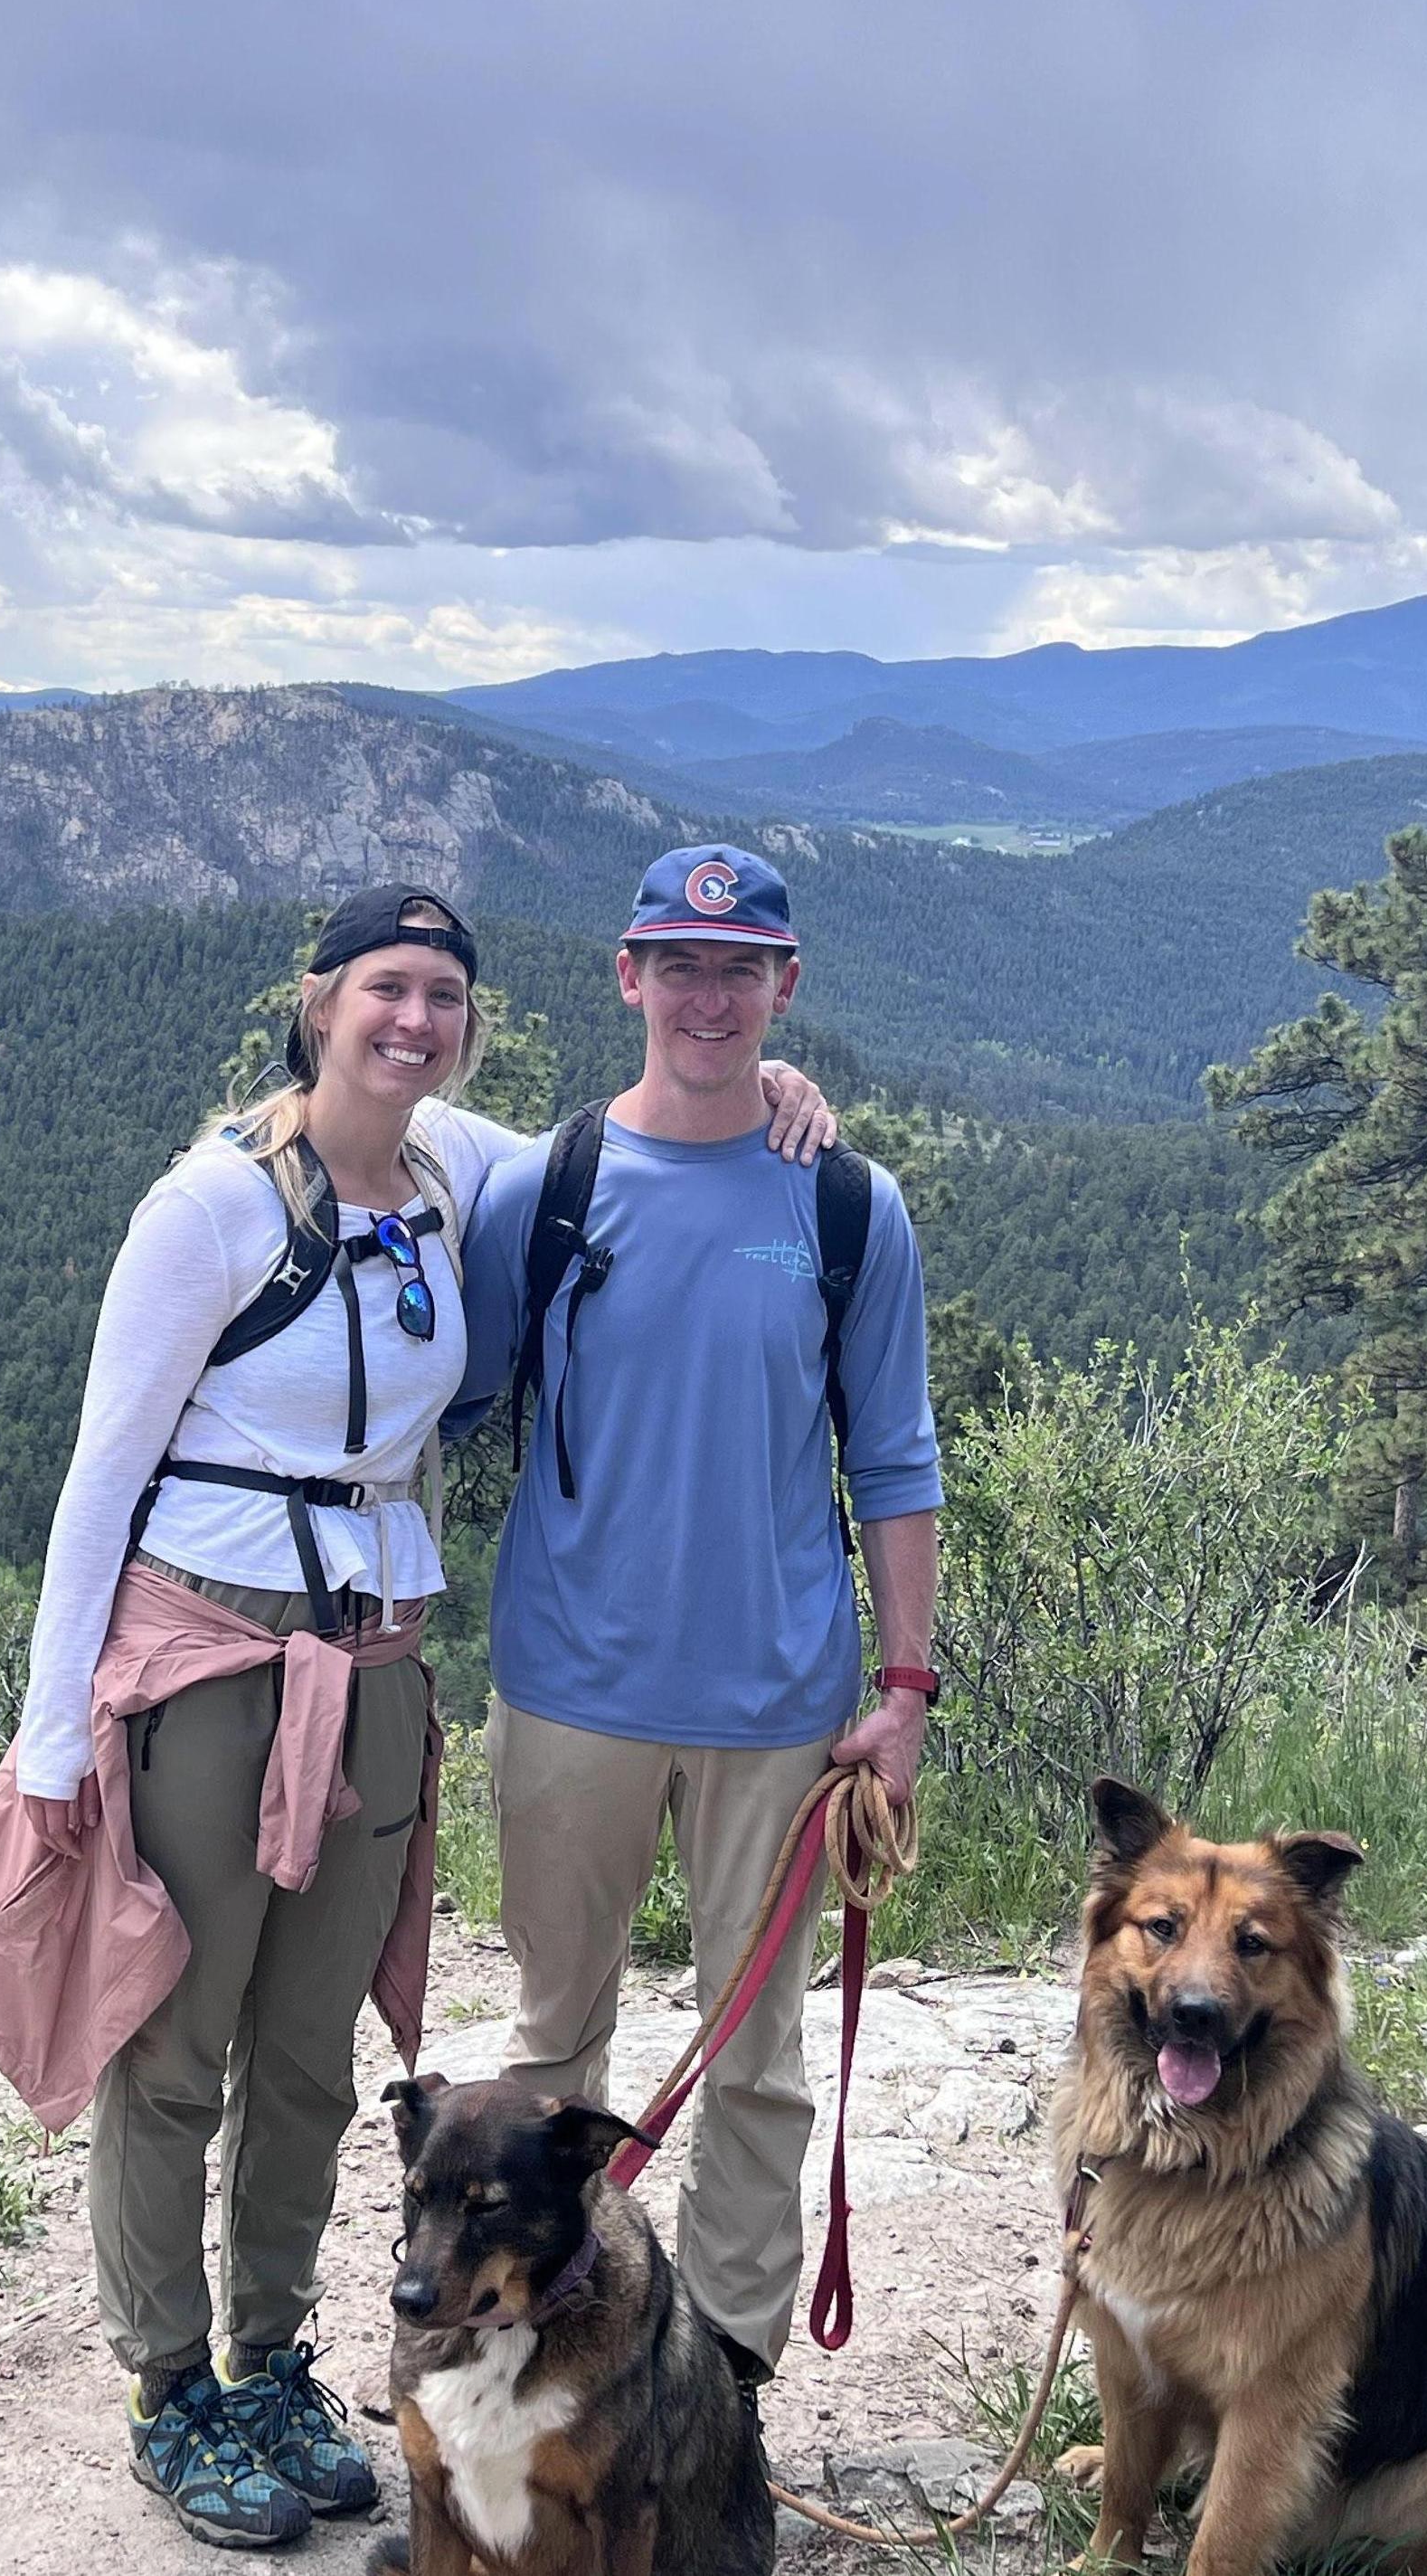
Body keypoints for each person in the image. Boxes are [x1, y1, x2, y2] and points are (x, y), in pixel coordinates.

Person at [0, 885, 833, 2552]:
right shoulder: (212, 1205)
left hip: (372, 1671)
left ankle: (273, 2358)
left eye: (443, 996)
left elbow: (658, 1121)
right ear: (318, 1002)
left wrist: (786, 1099)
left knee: (309, 2055)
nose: (413, 1022)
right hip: (207, 1659)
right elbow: (100, 1473)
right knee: (176, 2046)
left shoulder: (454, 1172)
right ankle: (171, 2397)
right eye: (385, 989)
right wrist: (55, 1730)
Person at [449, 843, 942, 2392]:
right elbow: (441, 1385)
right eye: (680, 964)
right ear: (628, 977)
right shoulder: (547, 1187)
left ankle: (721, 2382)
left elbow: (897, 1454)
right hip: (568, 1686)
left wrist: (906, 1685)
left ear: (785, 986)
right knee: (550, 2050)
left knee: (761, 2066)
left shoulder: (850, 1206)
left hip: (782, 1704)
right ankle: (530, 2333)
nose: (709, 995)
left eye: (741, 970)